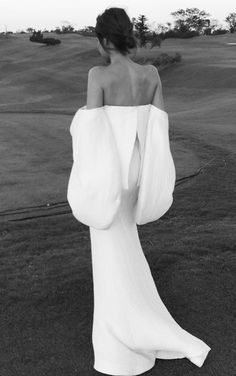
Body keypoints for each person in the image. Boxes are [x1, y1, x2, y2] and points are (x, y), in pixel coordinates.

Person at [67, 7, 211, 376]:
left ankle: (121, 346)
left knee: (109, 252)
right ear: (128, 35)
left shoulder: (98, 74)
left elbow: (94, 132)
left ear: (103, 39)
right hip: (134, 174)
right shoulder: (150, 74)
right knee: (123, 247)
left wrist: (81, 119)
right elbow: (158, 130)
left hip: (108, 176)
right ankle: (132, 328)